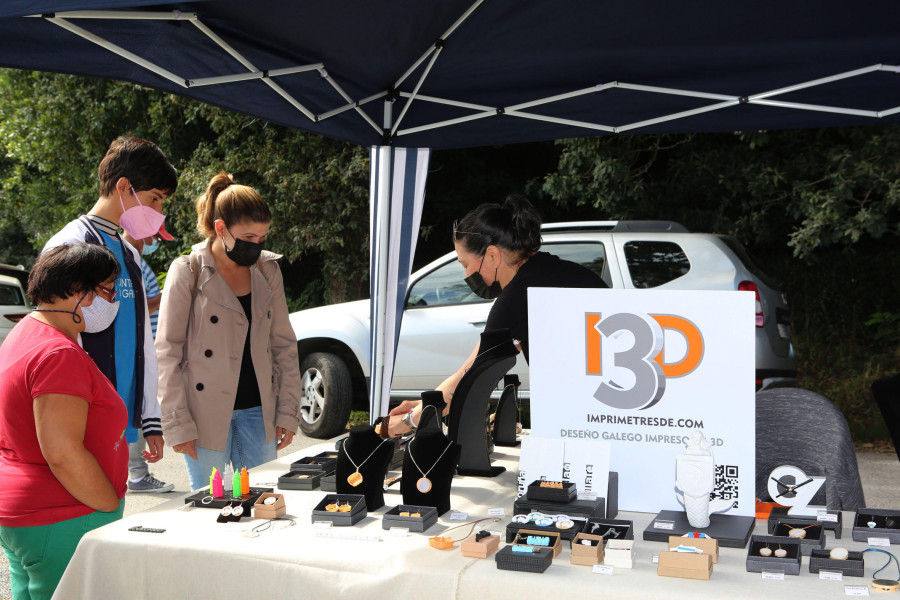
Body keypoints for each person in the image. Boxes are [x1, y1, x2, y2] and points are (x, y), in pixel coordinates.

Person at [386, 194, 607, 435]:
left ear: (492, 255)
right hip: (614, 407)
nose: (465, 275)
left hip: (587, 418)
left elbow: (469, 376)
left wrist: (408, 422)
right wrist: (422, 404)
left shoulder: (517, 297)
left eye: (465, 264)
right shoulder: (554, 271)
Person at [43, 136, 177, 493]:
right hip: (82, 421)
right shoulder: (69, 247)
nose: (158, 211)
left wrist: (150, 421)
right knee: (83, 519)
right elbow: (54, 341)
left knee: (109, 518)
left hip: (122, 423)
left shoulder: (129, 255)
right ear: (123, 187)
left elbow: (143, 344)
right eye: (154, 199)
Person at [156, 172, 302, 491]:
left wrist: (288, 412)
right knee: (213, 510)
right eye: (248, 237)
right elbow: (167, 352)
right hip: (204, 415)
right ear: (221, 228)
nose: (256, 245)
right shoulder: (188, 271)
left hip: (258, 412)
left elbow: (284, 346)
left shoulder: (267, 270)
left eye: (262, 238)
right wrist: (178, 424)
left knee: (263, 503)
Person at [0, 243, 127, 600]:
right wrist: (107, 503)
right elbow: (63, 452)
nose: (113, 299)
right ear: (75, 290)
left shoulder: (26, 332)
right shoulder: (58, 353)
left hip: (30, 514)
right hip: (63, 514)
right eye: (105, 290)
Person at [122, 226, 175, 493]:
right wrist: (169, 295)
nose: (154, 241)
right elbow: (138, 303)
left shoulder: (136, 260)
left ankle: (135, 474)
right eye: (154, 235)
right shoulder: (126, 258)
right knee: (138, 414)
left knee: (139, 414)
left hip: (143, 348)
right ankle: (137, 475)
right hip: (135, 351)